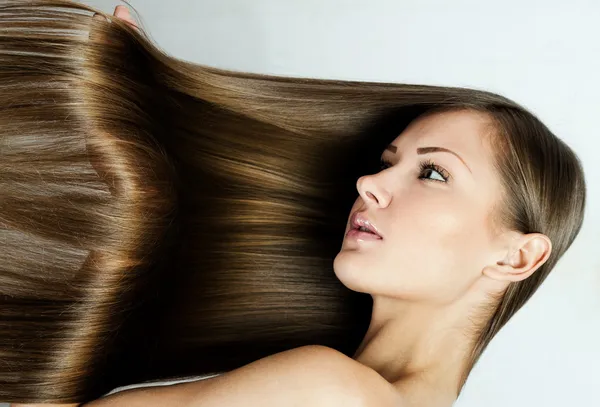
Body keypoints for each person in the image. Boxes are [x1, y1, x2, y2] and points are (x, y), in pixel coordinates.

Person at [2, 2, 586, 407]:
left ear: (516, 258)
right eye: (388, 162)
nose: (369, 183)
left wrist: (118, 137)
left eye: (432, 172)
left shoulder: (332, 390)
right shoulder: (340, 388)